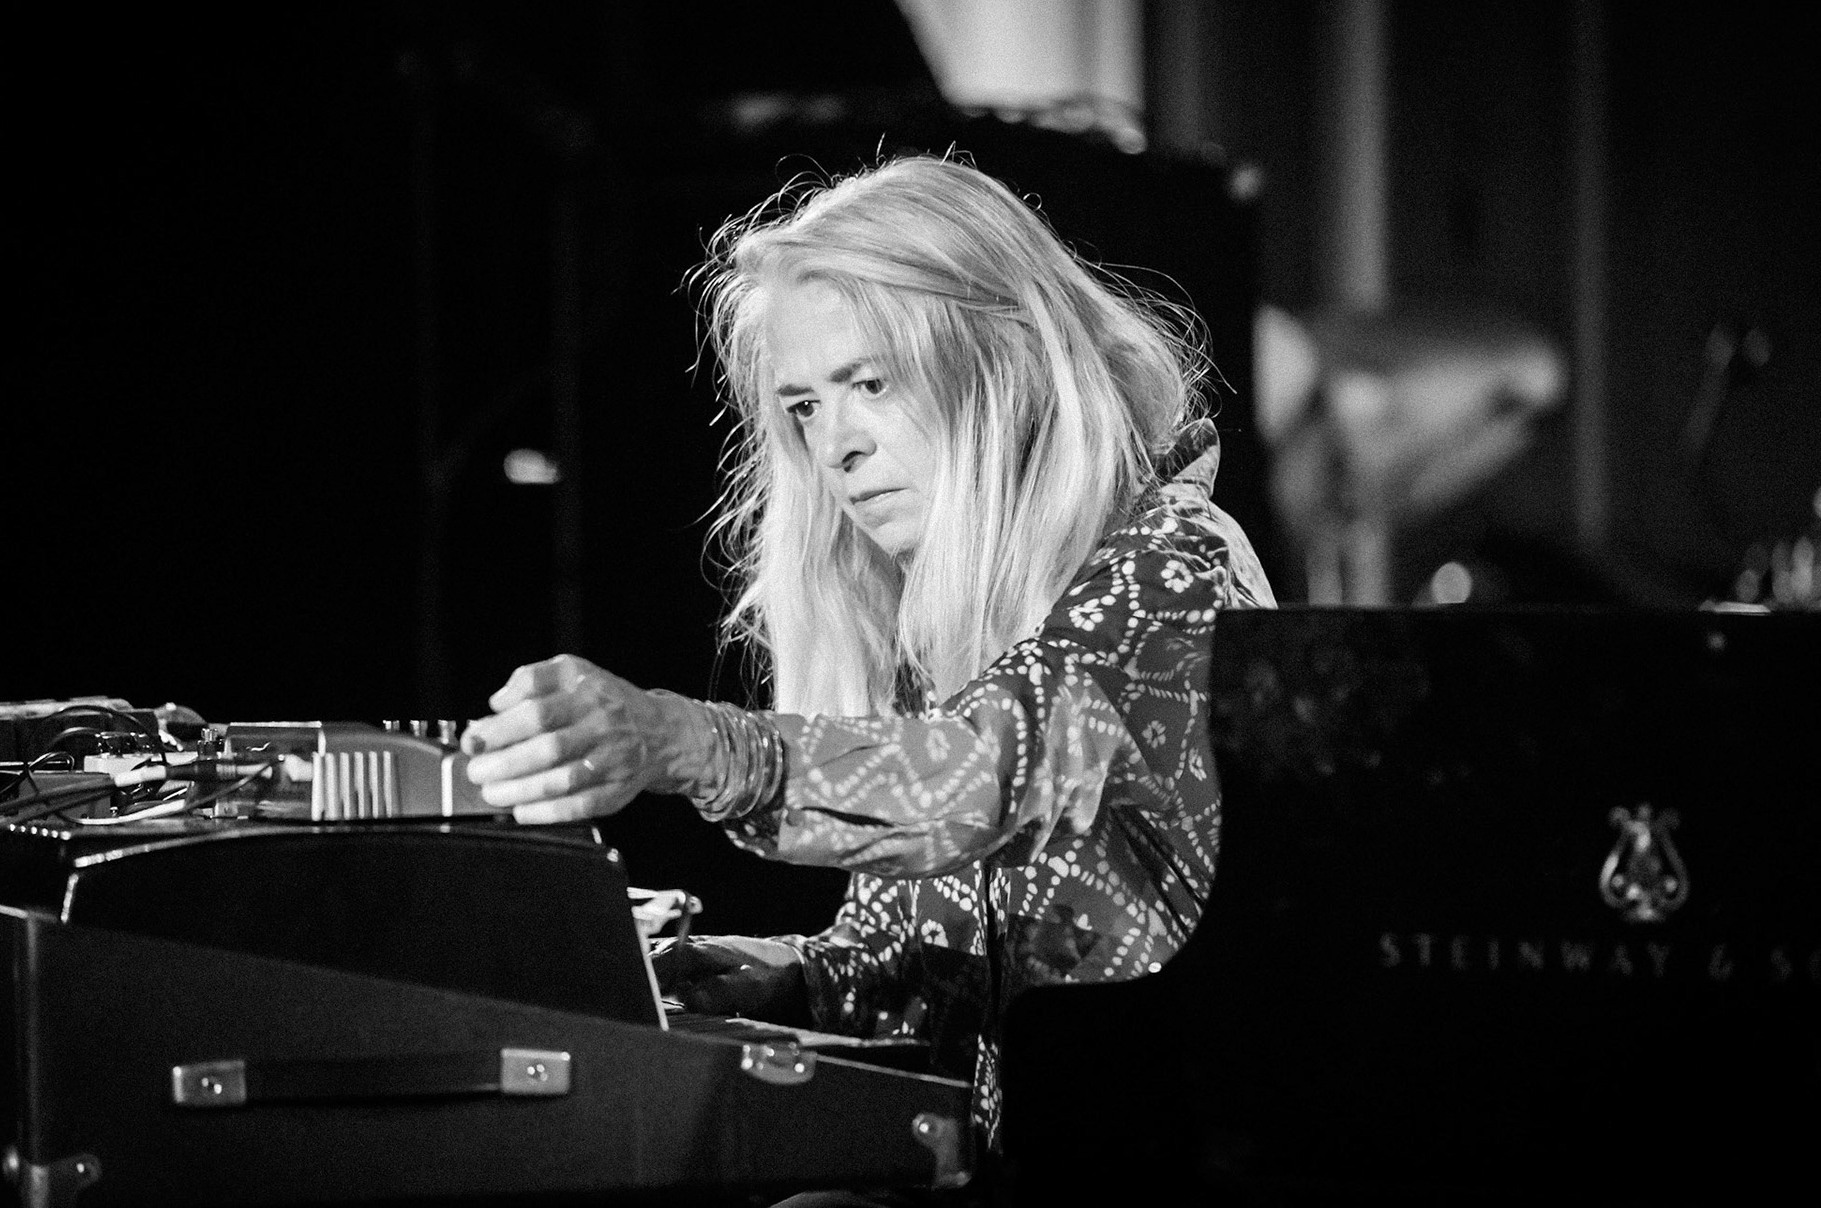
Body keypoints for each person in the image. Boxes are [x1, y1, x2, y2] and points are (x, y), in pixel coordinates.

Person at [459, 155, 1275, 1186]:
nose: (833, 446)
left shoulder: (1170, 567)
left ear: (1002, 362)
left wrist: (686, 741)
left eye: (870, 383)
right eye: (803, 405)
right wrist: (790, 979)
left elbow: (988, 775)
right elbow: (949, 972)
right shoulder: (955, 620)